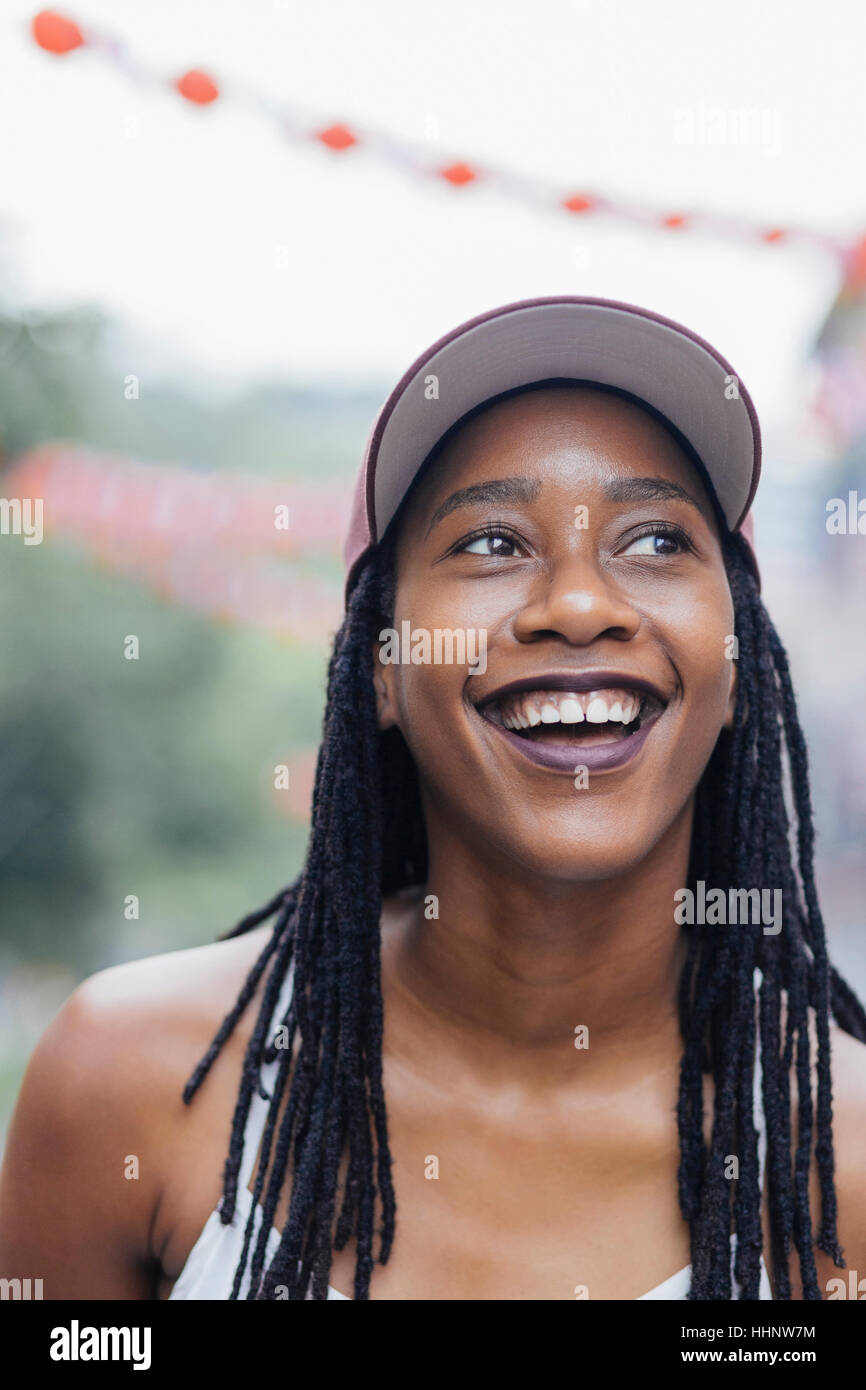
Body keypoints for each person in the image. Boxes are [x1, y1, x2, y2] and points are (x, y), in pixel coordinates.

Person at [2, 296, 866, 1302]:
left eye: (655, 540)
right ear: (378, 666)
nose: (579, 604)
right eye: (491, 543)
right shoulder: (129, 1082)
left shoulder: (841, 1154)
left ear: (740, 666)